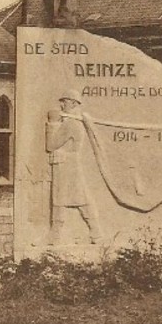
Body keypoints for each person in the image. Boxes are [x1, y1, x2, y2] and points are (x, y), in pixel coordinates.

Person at [45, 91, 101, 244]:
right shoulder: (73, 121)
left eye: (65, 101)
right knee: (76, 197)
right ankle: (94, 232)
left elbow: (51, 145)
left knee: (64, 198)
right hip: (67, 163)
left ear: (74, 103)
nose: (61, 105)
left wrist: (52, 122)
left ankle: (56, 235)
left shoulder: (70, 123)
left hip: (66, 164)